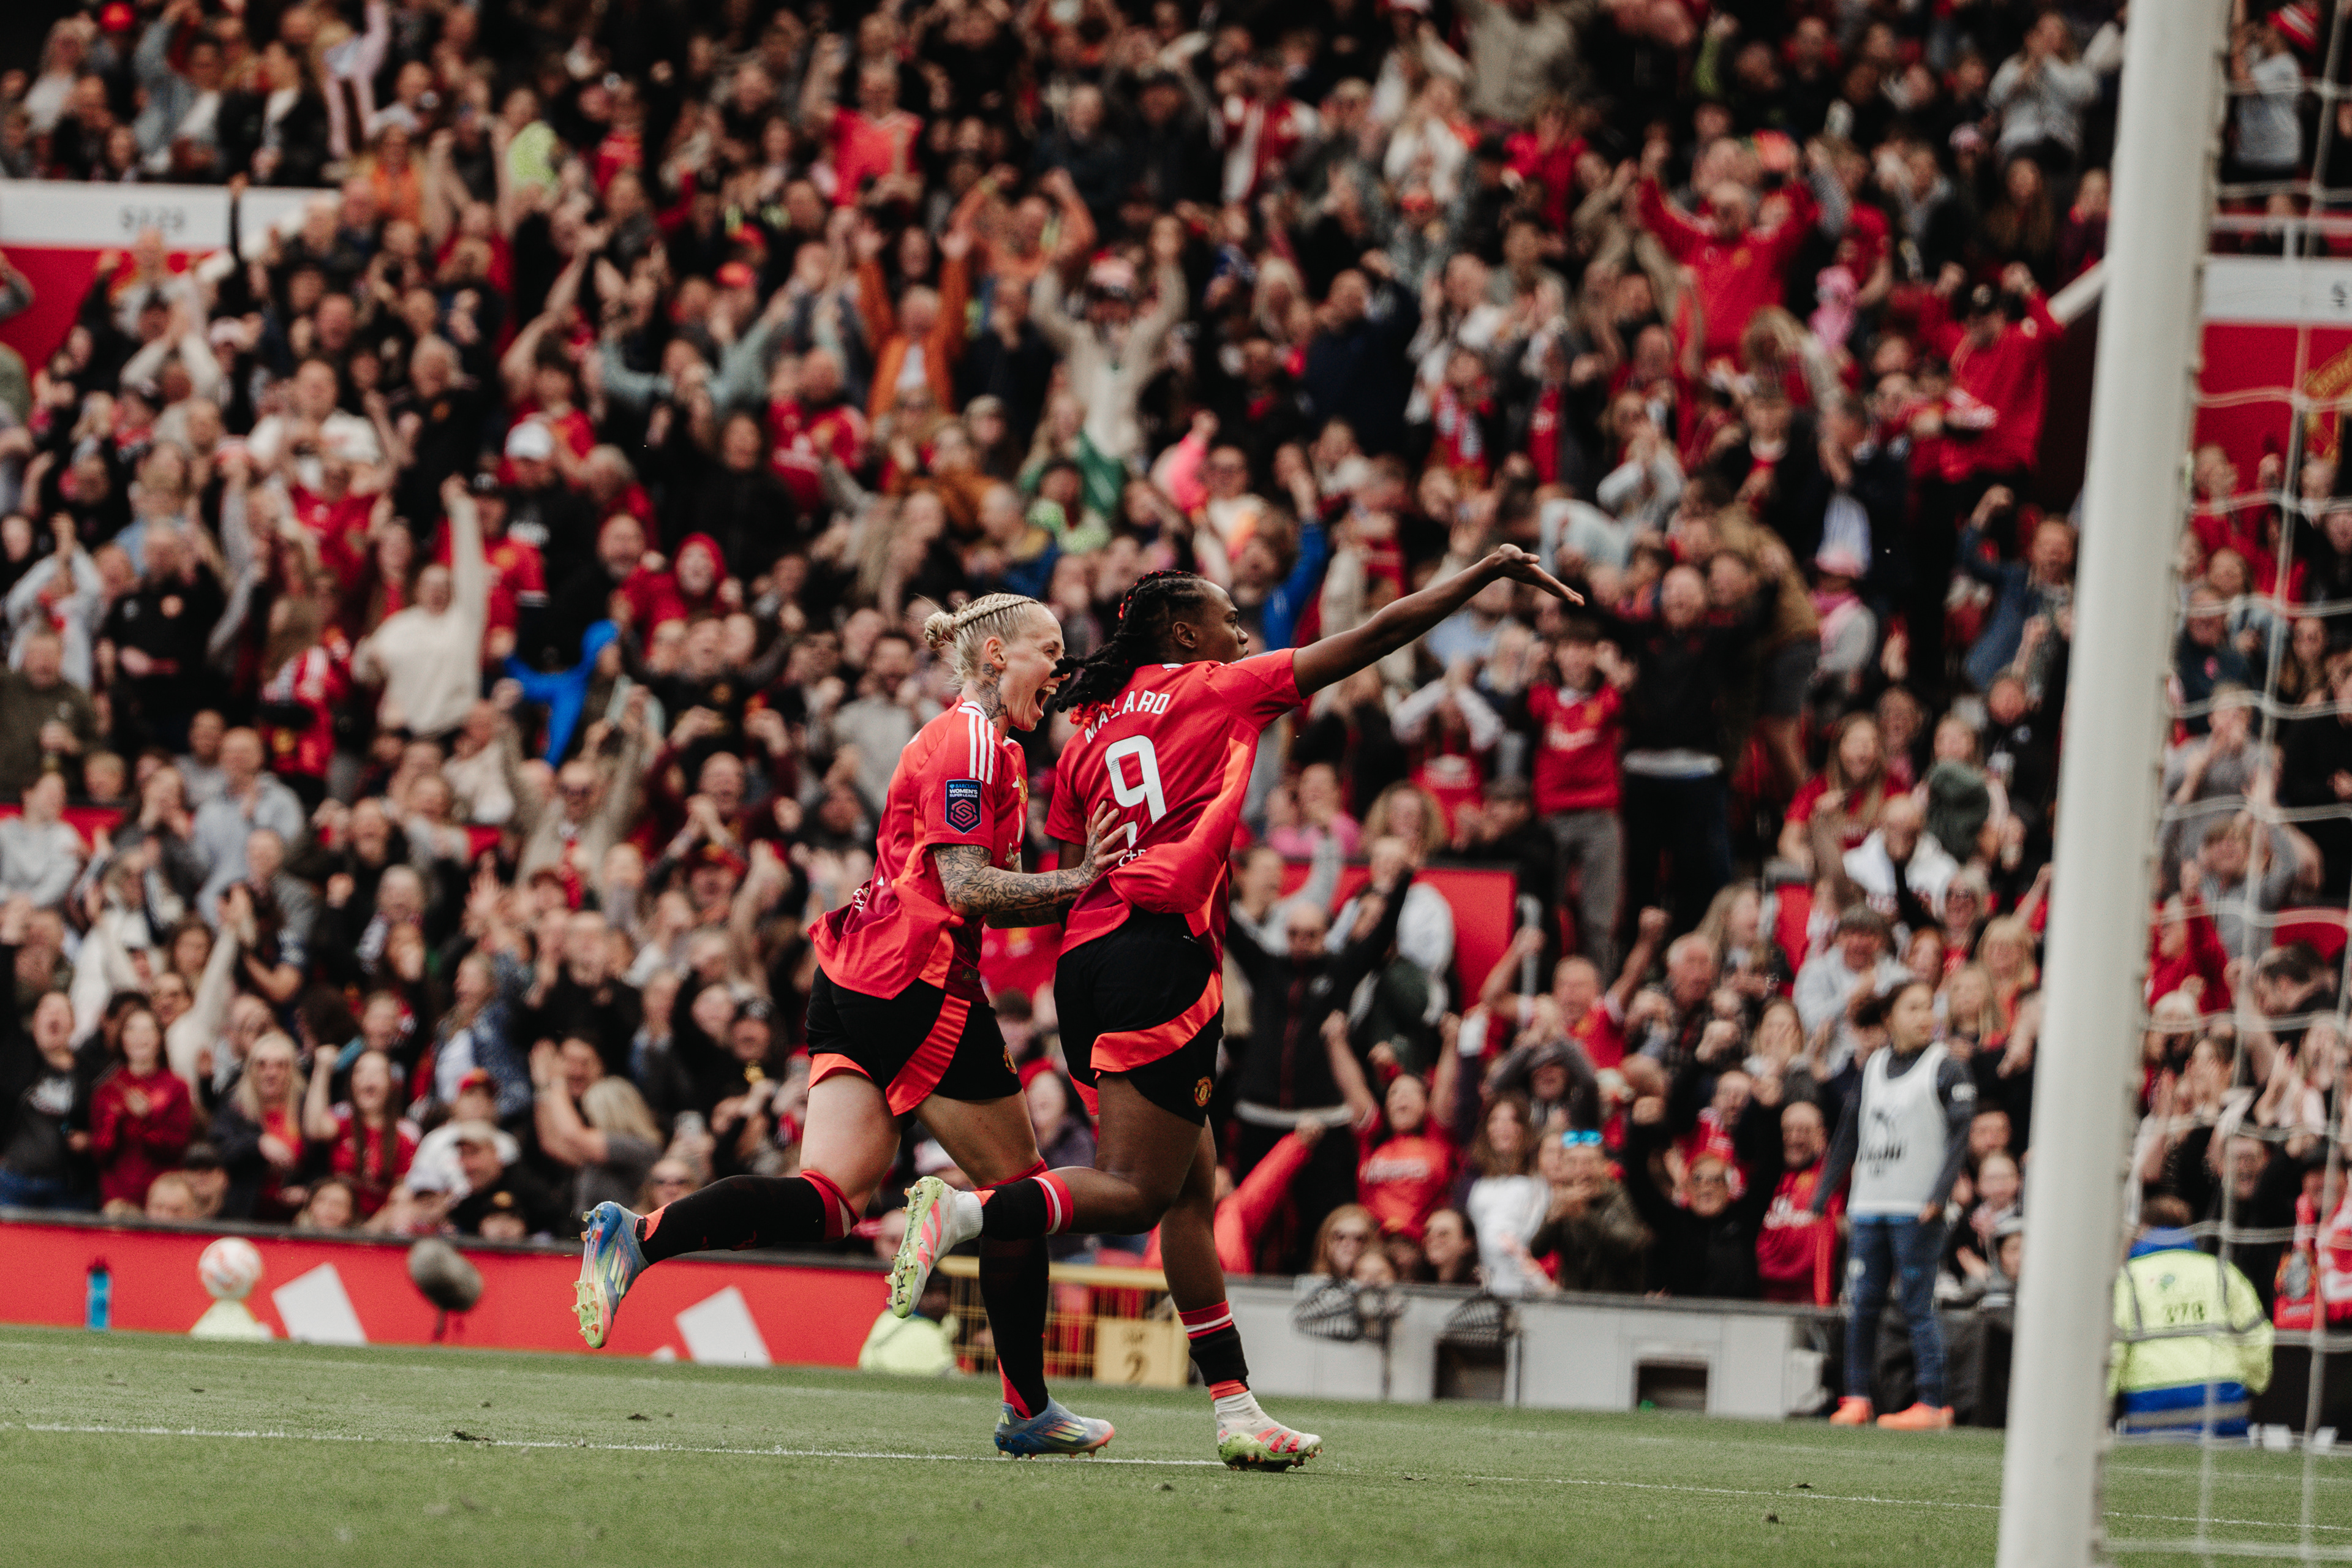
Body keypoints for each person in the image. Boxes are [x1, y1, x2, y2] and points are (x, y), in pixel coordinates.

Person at [891, 542, 1577, 1467]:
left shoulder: (1087, 724)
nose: (1243, 635)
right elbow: (1379, 634)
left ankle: (1235, 1407)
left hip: (1085, 960)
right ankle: (969, 1214)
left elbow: (1071, 859)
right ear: (1185, 633)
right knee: (1139, 1190)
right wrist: (1482, 573)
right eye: (1228, 619)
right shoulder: (1222, 687)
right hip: (1161, 959)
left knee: (1192, 1187)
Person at [571, 592, 1125, 1457]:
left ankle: (638, 1236)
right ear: (994, 658)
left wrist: (1059, 878)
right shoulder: (973, 742)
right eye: (1048, 650)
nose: (1062, 667)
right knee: (1018, 1191)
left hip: (853, 978)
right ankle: (1028, 1409)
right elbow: (968, 888)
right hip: (916, 981)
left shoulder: (984, 746)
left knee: (829, 1202)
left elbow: (974, 880)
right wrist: (1085, 881)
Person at [1812, 981, 1975, 1430]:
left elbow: (1959, 1139)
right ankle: (1857, 1397)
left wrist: (1938, 1196)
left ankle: (1933, 1402)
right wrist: (1823, 1193)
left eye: (1929, 1007)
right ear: (1889, 1018)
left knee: (1917, 1305)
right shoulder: (1873, 1067)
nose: (1925, 1017)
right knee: (1861, 1304)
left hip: (1916, 1208)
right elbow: (1849, 1133)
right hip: (1870, 1203)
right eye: (1913, 1008)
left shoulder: (1947, 1068)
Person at [2109, 1196, 2273, 1438]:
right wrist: (2254, 1383)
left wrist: (2107, 1400)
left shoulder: (2127, 1278)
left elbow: (2114, 1346)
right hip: (2221, 1399)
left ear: (2143, 1229)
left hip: (2152, 1403)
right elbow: (2256, 1334)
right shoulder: (2222, 1271)